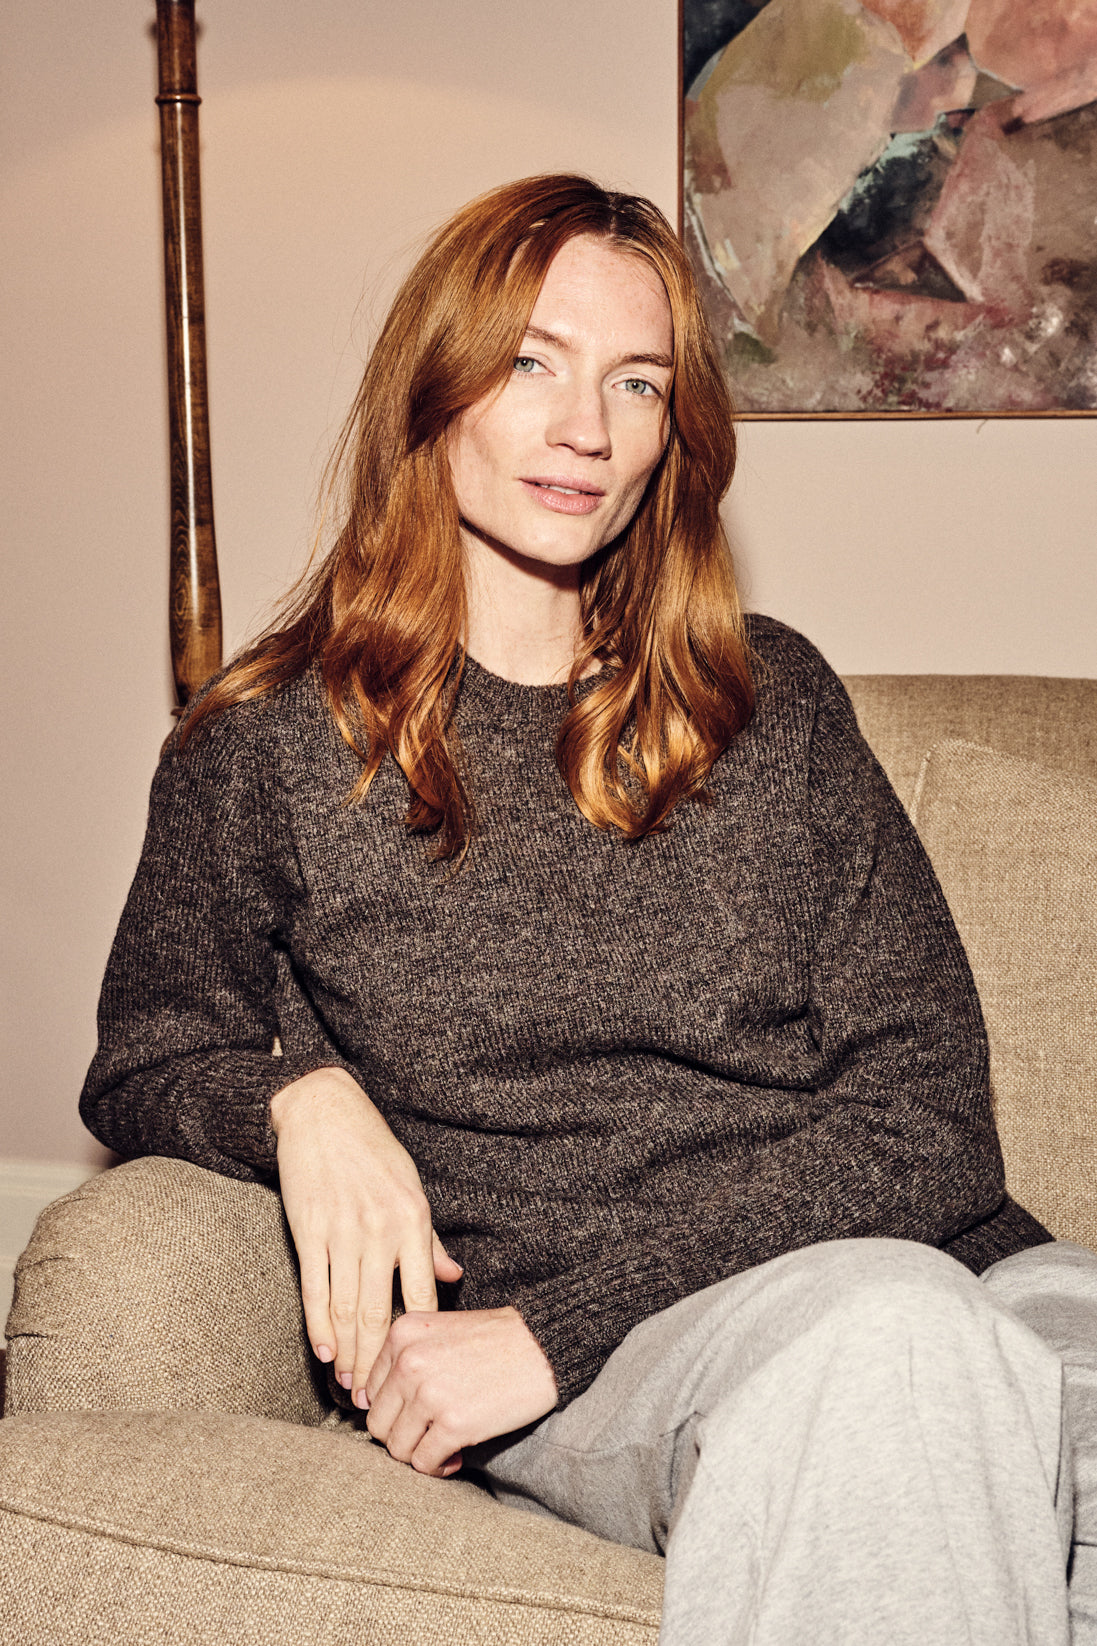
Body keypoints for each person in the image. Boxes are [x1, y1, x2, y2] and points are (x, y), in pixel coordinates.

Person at [81, 174, 1088, 1645]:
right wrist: (297, 1100)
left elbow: (930, 1118)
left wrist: (551, 1325)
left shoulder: (769, 699)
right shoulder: (269, 747)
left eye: (636, 382)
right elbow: (146, 1050)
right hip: (624, 1360)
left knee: (960, 1367)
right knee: (888, 1346)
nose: (585, 429)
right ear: (436, 388)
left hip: (954, 1275)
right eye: (531, 364)